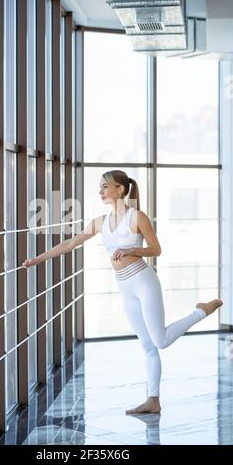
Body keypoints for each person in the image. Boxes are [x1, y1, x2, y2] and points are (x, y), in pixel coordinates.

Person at [22, 169, 223, 415]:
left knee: (160, 340)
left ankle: (200, 311)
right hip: (124, 287)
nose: (101, 191)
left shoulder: (137, 217)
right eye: (100, 187)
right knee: (148, 346)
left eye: (105, 186)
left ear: (121, 189)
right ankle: (153, 400)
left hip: (143, 281)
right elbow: (70, 243)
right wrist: (37, 259)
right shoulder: (100, 222)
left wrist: (130, 251)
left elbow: (156, 249)